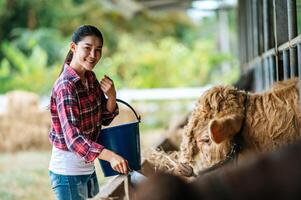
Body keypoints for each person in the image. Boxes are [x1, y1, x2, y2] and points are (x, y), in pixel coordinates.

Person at [48, 25, 129, 200]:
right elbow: (74, 139)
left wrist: (112, 96)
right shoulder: (66, 86)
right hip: (68, 172)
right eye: (87, 48)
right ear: (73, 47)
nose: (93, 55)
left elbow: (104, 119)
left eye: (98, 50)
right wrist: (111, 156)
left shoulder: (90, 78)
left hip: (88, 167)